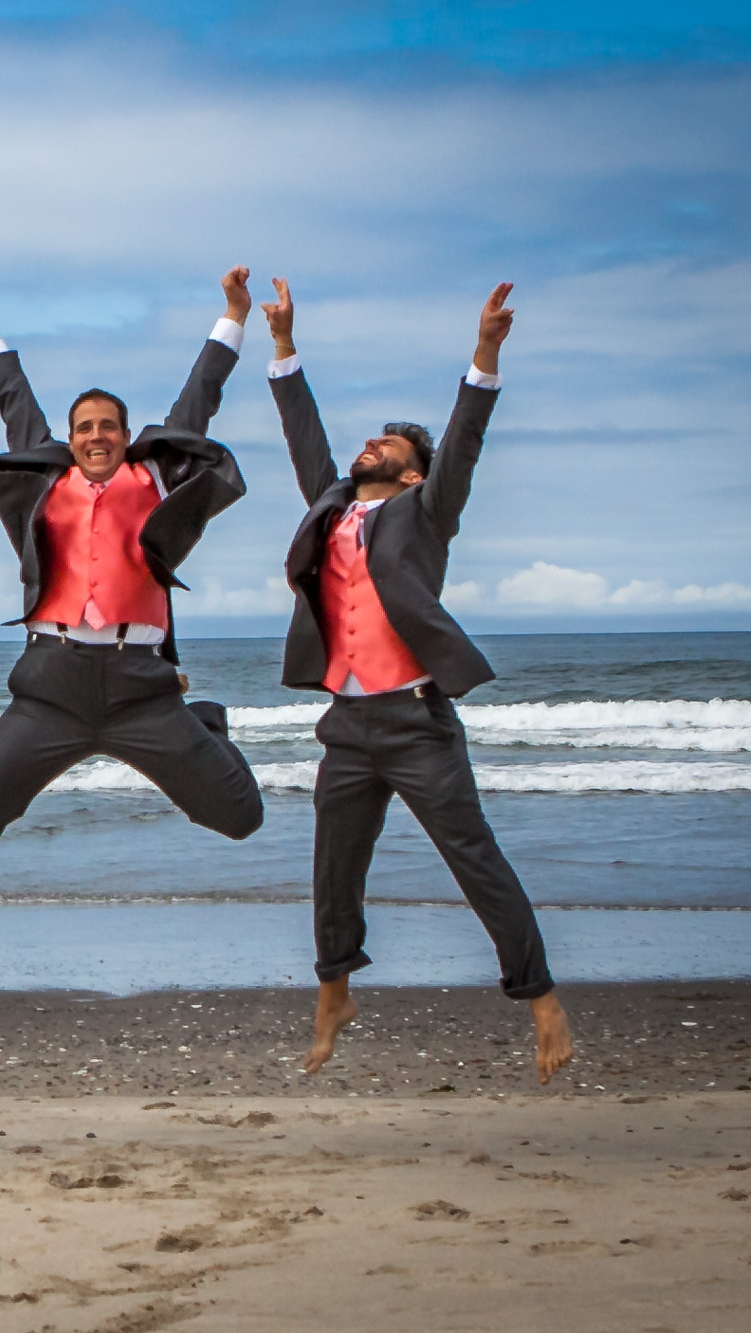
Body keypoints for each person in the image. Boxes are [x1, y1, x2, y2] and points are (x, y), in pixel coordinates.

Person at [261, 277, 574, 1084]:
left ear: (409, 477)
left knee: (475, 860)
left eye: (388, 448)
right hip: (347, 724)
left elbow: (463, 441)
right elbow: (305, 439)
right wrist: (284, 346)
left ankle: (540, 998)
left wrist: (486, 355)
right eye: (371, 441)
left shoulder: (425, 512)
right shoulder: (331, 508)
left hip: (416, 721)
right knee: (333, 869)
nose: (373, 446)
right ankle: (335, 992)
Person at [0, 271, 264, 855]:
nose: (96, 436)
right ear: (68, 438)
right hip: (50, 686)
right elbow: (16, 402)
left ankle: (206, 724)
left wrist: (233, 315)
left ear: (126, 434)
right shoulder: (46, 484)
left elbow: (200, 397)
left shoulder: (154, 479)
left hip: (142, 687)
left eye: (107, 425)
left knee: (241, 815)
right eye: (84, 427)